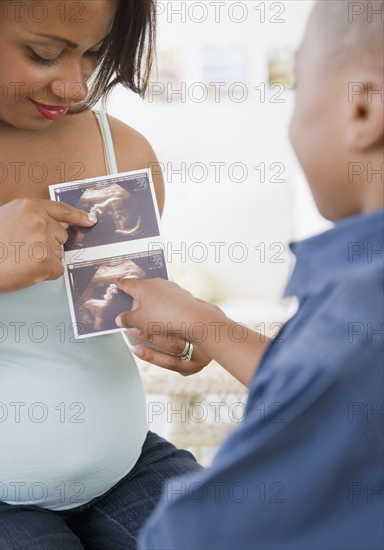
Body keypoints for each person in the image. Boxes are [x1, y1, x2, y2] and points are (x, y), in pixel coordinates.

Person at [115, 1, 384, 548]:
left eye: (298, 84)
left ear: (363, 112)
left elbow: (193, 537)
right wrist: (205, 321)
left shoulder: (358, 317)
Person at [0, 1, 206, 549]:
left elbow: (112, 302)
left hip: (126, 468)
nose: (74, 87)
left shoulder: (120, 151)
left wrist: (165, 326)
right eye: (43, 54)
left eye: (92, 54)